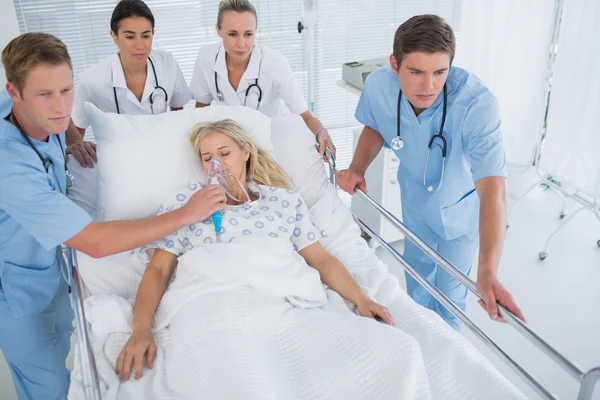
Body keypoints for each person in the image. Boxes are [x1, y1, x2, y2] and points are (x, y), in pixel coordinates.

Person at [0, 33, 225, 400]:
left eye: (66, 90)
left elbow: (60, 120)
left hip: (49, 273)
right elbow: (95, 242)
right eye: (45, 95)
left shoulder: (44, 115)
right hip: (15, 293)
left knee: (67, 356)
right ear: (15, 92)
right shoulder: (8, 165)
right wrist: (186, 214)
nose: (60, 106)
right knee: (53, 390)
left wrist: (71, 136)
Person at [115, 119, 396, 384]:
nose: (217, 164)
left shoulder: (283, 200)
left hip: (280, 304)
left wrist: (361, 299)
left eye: (225, 153)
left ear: (246, 152)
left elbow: (320, 258)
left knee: (384, 356)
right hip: (212, 307)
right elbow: (159, 268)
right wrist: (141, 328)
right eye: (207, 158)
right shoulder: (186, 202)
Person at [337, 15, 526, 331]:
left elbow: (494, 188)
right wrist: (357, 168)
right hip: (415, 203)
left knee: (451, 297)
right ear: (394, 64)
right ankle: (421, 340)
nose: (429, 86)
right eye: (416, 72)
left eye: (440, 72)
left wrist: (488, 271)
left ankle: (446, 353)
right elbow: (375, 125)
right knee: (417, 283)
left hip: (460, 210)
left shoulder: (476, 104)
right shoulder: (379, 86)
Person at [189, 0, 336, 158]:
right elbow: (201, 109)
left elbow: (305, 116)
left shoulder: (274, 64)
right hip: (234, 144)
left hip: (274, 142)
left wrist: (322, 132)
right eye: (232, 34)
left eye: (248, 34)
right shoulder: (207, 57)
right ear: (218, 30)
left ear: (255, 31)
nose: (242, 43)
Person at [65, 0, 192, 170]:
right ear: (114, 36)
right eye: (130, 36)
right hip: (120, 164)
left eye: (146, 36)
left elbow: (178, 111)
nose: (140, 45)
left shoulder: (167, 63)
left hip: (164, 156)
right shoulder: (93, 79)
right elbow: (76, 125)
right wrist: (75, 144)